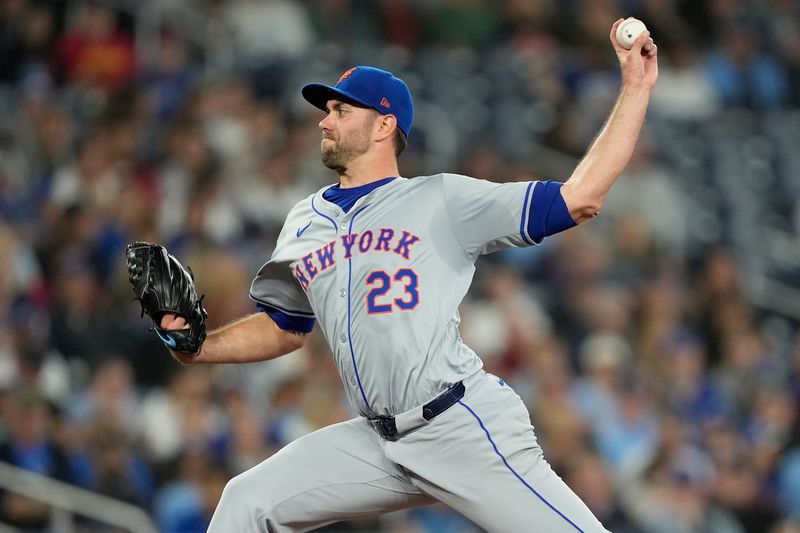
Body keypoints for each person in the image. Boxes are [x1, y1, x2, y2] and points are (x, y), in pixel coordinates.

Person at [157, 18, 658, 533]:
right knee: (247, 500)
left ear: (383, 125)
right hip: (378, 442)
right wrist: (201, 347)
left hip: (458, 425)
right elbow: (285, 327)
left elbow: (582, 196)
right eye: (327, 111)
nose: (325, 122)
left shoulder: (441, 199)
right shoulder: (305, 219)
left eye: (341, 110)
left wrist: (635, 87)